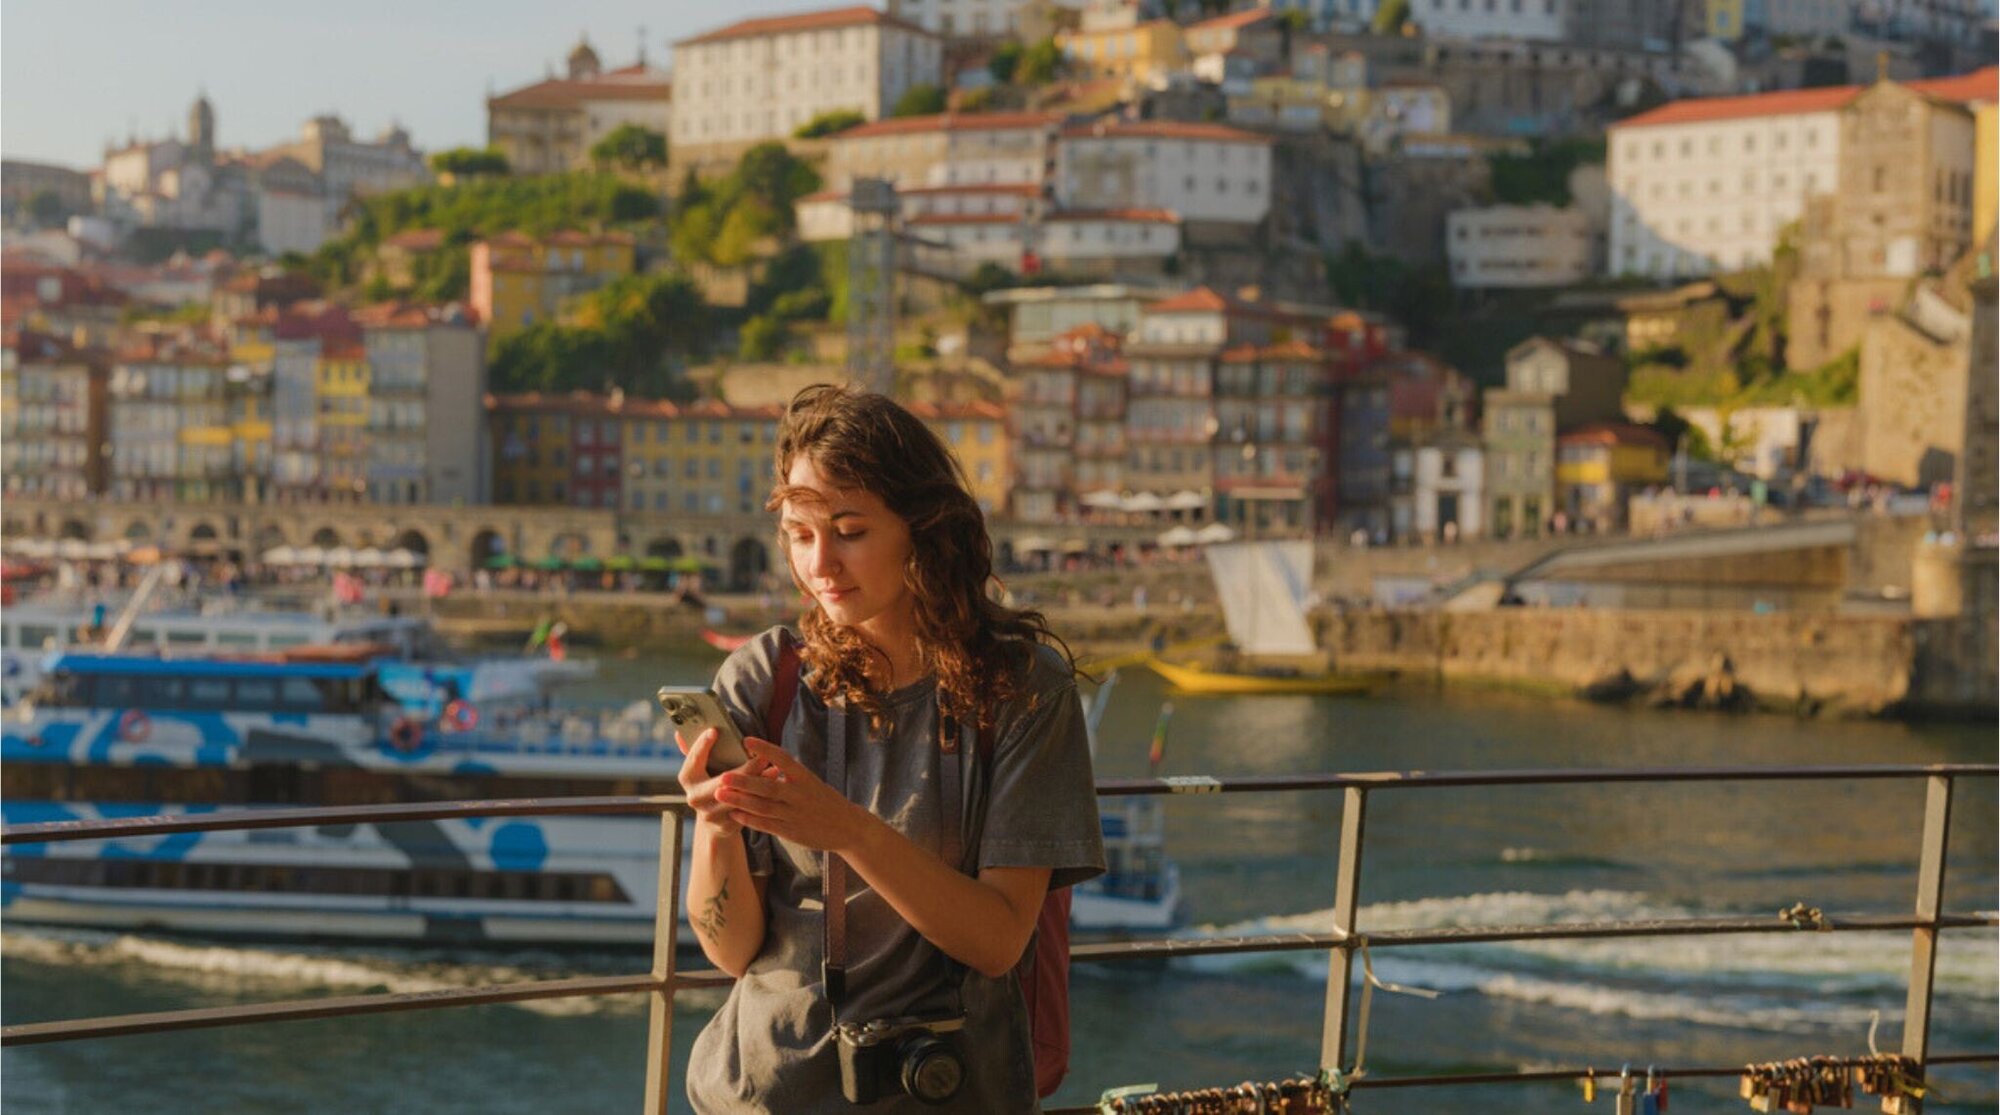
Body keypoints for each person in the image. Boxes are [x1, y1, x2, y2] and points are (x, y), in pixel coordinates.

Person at [676, 385, 1106, 1113]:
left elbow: (999, 938)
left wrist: (843, 829)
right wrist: (716, 825)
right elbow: (732, 949)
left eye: (849, 530)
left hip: (946, 1087)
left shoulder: (1024, 688)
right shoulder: (761, 678)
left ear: (922, 527)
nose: (821, 565)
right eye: (799, 534)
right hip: (762, 1092)